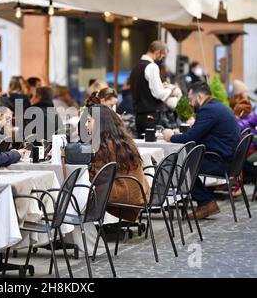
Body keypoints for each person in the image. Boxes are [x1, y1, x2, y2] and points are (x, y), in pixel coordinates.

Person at [163, 81, 241, 219]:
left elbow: (191, 139)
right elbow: (198, 135)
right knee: (188, 161)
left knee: (182, 165)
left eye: (191, 99)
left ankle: (206, 202)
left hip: (221, 162)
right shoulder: (216, 107)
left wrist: (171, 137)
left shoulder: (208, 110)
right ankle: (205, 200)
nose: (190, 104)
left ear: (199, 96)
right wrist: (182, 134)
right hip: (229, 160)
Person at [87, 104, 150, 222]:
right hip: (138, 192)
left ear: (100, 123)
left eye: (89, 121)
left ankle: (85, 237)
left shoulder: (105, 147)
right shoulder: (121, 140)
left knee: (75, 195)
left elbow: (97, 179)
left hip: (124, 194)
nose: (86, 125)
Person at [130, 40, 179, 137]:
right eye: (162, 56)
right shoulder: (152, 66)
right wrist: (171, 89)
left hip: (139, 116)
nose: (162, 58)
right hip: (151, 115)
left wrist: (162, 87)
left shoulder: (136, 67)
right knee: (154, 147)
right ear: (157, 52)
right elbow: (158, 93)